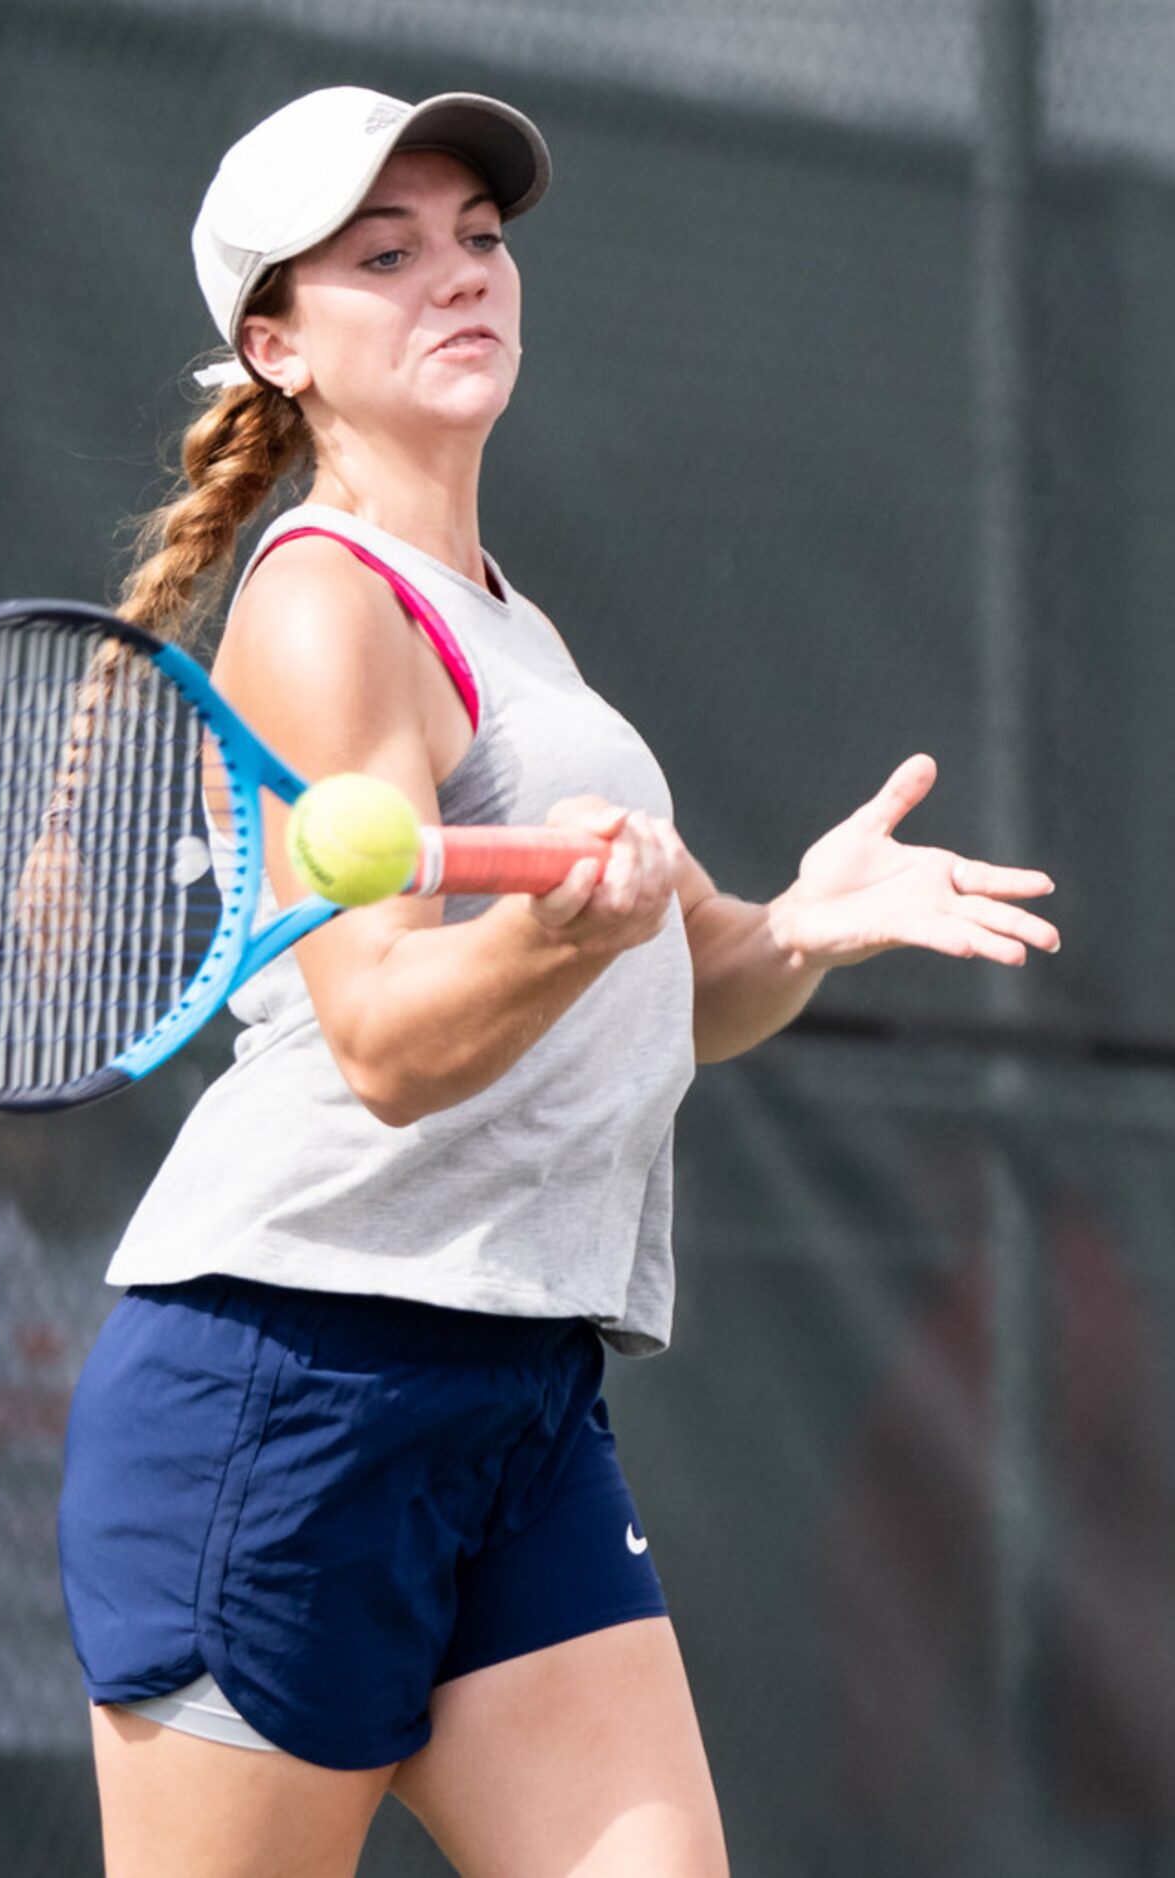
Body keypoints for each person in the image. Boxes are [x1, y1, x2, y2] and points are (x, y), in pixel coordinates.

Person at [56, 86, 1060, 1877]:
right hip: (289, 1386)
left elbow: (679, 998)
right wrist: (551, 931)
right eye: (387, 254)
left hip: (519, 1398)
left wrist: (792, 929)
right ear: (276, 346)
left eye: (480, 241)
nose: (460, 277)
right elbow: (379, 1039)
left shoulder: (515, 622)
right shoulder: (323, 605)